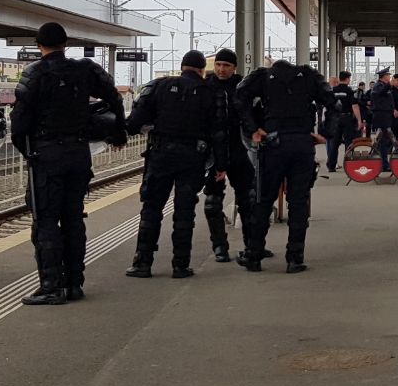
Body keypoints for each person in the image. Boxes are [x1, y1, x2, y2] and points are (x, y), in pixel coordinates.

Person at [10, 22, 126, 305]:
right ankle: (74, 284)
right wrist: (118, 133)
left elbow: (19, 123)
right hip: (78, 153)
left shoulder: (35, 73)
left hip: (46, 155)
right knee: (74, 218)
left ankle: (52, 286)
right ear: (65, 44)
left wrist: (29, 153)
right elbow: (114, 97)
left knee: (46, 220)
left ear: (39, 45)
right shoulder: (85, 70)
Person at [124, 51, 228, 278]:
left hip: (160, 155)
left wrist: (118, 136)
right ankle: (180, 265)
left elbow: (135, 121)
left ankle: (142, 263)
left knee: (152, 208)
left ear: (182, 67)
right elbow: (218, 132)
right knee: (184, 211)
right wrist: (221, 165)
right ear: (202, 70)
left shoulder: (159, 86)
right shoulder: (210, 92)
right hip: (192, 158)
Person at [234, 56, 332, 273]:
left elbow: (239, 97)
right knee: (298, 202)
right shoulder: (309, 76)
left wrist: (253, 129)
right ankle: (295, 259)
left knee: (263, 200)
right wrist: (325, 134)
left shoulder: (263, 77)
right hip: (303, 143)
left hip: (273, 144)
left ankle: (254, 255)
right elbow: (334, 102)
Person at [202, 48, 251, 263]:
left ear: (234, 68)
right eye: (219, 65)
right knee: (212, 202)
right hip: (213, 154)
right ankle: (219, 247)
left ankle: (252, 246)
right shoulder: (204, 87)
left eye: (226, 65)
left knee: (249, 199)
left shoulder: (243, 88)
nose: (221, 69)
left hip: (239, 150)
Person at [323, 71, 361, 172]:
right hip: (346, 118)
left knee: (334, 143)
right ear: (347, 79)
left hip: (335, 119)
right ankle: (348, 165)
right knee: (349, 142)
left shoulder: (332, 91)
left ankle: (331, 166)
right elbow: (355, 106)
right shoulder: (349, 91)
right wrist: (359, 120)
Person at [367, 68, 397, 171]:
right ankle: (384, 164)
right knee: (383, 140)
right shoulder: (378, 86)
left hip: (386, 115)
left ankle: (383, 162)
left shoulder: (384, 86)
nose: (390, 77)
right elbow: (380, 93)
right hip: (381, 116)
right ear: (384, 76)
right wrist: (389, 85)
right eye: (388, 75)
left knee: (384, 139)